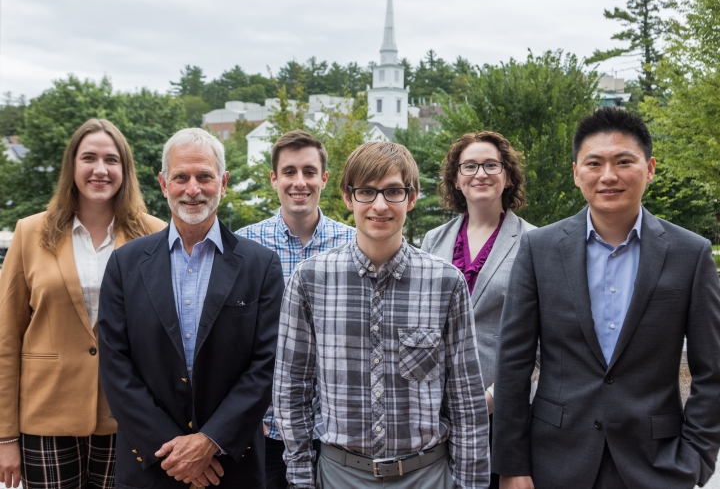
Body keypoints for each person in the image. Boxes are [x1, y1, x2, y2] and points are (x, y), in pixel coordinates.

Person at [492, 107, 720, 489]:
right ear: (577, 172)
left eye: (623, 161)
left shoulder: (690, 254)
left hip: (657, 465)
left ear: (649, 168)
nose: (609, 176)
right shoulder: (539, 249)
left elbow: (712, 371)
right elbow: (513, 364)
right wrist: (512, 465)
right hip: (555, 462)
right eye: (594, 163)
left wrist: (696, 458)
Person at [274, 141, 490, 488]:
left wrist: (470, 484)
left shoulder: (446, 283)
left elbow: (465, 400)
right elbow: (291, 391)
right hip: (340, 474)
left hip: (426, 475)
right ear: (348, 197)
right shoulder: (309, 279)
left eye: (392, 192)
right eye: (366, 192)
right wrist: (301, 479)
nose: (379, 205)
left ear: (412, 197)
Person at [98, 127, 284, 489]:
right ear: (164, 183)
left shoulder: (260, 266)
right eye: (181, 177)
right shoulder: (125, 264)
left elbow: (268, 365)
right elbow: (115, 365)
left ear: (224, 182)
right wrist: (170, 451)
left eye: (204, 177)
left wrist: (209, 442)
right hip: (150, 465)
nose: (193, 189)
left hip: (232, 465)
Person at [0, 118, 166, 489]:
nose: (100, 169)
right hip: (44, 415)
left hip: (126, 416)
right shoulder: (30, 233)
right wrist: (5, 437)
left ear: (125, 169)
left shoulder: (155, 234)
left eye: (112, 159)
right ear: (72, 166)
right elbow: (6, 339)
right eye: (89, 157)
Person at [235, 129, 355, 489]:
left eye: (308, 171)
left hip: (337, 427)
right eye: (289, 172)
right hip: (263, 427)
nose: (299, 182)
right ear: (273, 179)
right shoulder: (245, 245)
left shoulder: (353, 244)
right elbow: (235, 338)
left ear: (324, 179)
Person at [421, 131, 536, 489]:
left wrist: (491, 398)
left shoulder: (535, 242)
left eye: (491, 165)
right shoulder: (431, 241)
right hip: (435, 414)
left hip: (504, 414)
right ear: (456, 178)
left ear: (507, 176)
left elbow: (544, 338)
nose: (480, 173)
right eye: (469, 166)